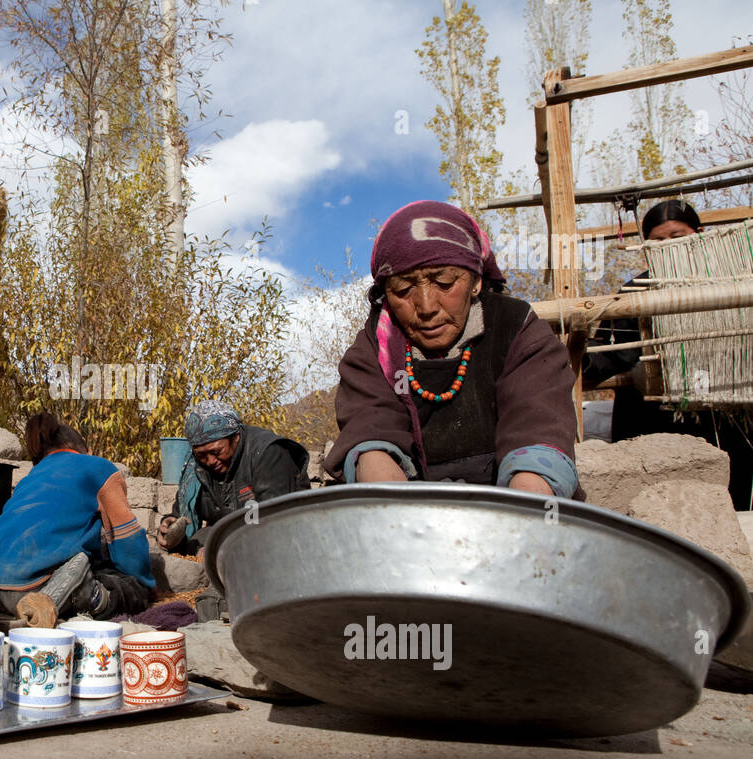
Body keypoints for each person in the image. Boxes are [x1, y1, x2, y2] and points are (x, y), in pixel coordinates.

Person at [323, 200, 581, 498]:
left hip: (515, 509)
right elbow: (372, 439)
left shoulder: (516, 329)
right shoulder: (373, 349)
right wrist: (399, 519)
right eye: (403, 290)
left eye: (444, 282)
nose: (426, 306)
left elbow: (538, 430)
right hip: (415, 518)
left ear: (475, 281)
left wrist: (521, 527)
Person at [584, 199, 752, 507]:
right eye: (658, 240)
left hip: (726, 411)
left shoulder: (734, 282)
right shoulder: (637, 292)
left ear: (699, 233)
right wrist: (578, 360)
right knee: (665, 503)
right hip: (661, 417)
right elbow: (612, 350)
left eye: (678, 236)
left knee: (732, 499)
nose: (668, 246)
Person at [0, 413, 154, 623]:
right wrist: (142, 582)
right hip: (49, 587)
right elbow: (127, 539)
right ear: (88, 452)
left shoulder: (31, 478)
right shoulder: (97, 467)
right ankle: (53, 606)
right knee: (129, 588)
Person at [157, 401, 310, 555]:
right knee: (200, 539)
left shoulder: (268, 453)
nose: (210, 461)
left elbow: (274, 523)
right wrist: (169, 528)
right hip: (232, 540)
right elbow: (181, 514)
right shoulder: (195, 467)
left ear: (236, 437)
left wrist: (220, 551)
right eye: (201, 455)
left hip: (285, 545)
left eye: (217, 451)